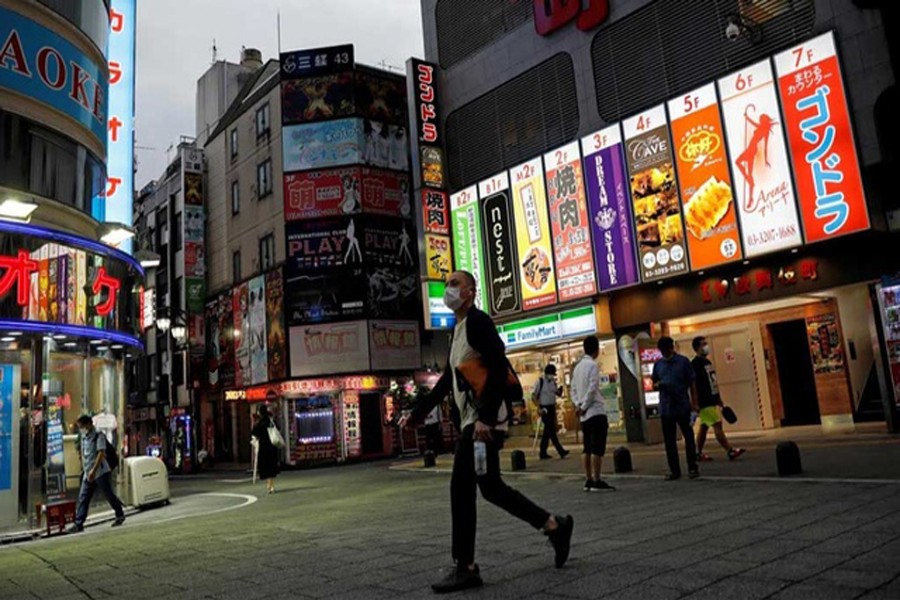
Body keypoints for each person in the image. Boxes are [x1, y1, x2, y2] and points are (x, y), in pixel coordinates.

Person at [401, 270, 574, 594]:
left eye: (454, 284)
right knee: (490, 487)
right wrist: (418, 413)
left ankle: (465, 566)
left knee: (461, 488)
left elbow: (496, 363)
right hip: (477, 421)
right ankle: (554, 525)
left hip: (483, 423)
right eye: (447, 284)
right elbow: (447, 382)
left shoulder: (478, 321)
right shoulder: (459, 330)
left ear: (469, 292)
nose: (448, 290)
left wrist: (483, 416)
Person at [570, 336, 616, 492]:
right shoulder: (592, 366)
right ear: (596, 349)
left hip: (584, 416)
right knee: (597, 447)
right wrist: (584, 406)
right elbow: (592, 388)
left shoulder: (577, 368)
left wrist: (578, 405)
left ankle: (588, 479)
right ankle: (597, 479)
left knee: (587, 447)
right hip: (595, 411)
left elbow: (573, 390)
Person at [691, 337, 746, 462]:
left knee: (704, 427)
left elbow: (712, 382)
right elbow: (693, 385)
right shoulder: (695, 364)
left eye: (706, 343)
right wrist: (695, 403)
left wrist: (718, 398)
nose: (706, 346)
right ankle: (729, 450)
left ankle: (697, 453)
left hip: (712, 399)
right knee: (717, 424)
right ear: (697, 348)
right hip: (704, 402)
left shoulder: (708, 363)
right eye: (703, 344)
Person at [652, 337, 700, 480]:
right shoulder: (658, 365)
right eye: (662, 351)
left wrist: (694, 403)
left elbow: (692, 382)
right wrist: (657, 385)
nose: (665, 353)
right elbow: (654, 382)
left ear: (672, 348)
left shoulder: (683, 362)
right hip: (666, 407)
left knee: (689, 437)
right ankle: (674, 470)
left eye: (666, 350)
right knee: (669, 440)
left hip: (682, 405)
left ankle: (692, 467)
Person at [70, 415, 125, 532]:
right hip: (87, 473)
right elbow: (84, 453)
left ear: (89, 424)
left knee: (109, 495)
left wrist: (93, 471)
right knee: (83, 497)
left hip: (100, 472)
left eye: (82, 426)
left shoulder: (98, 435)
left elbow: (101, 453)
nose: (81, 429)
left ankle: (120, 514)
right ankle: (78, 524)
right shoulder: (84, 437)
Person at [532, 365, 569, 460]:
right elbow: (534, 396)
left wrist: (560, 390)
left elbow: (557, 393)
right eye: (552, 374)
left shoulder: (553, 382)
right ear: (547, 373)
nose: (553, 376)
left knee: (548, 431)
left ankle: (543, 452)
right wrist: (538, 407)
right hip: (544, 409)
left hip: (552, 408)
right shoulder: (540, 382)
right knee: (550, 429)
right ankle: (560, 451)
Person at [251, 405, 281, 494]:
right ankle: (271, 485)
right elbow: (278, 428)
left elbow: (254, 433)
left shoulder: (259, 423)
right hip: (272, 445)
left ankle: (269, 485)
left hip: (263, 447)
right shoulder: (271, 421)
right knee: (271, 466)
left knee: (266, 467)